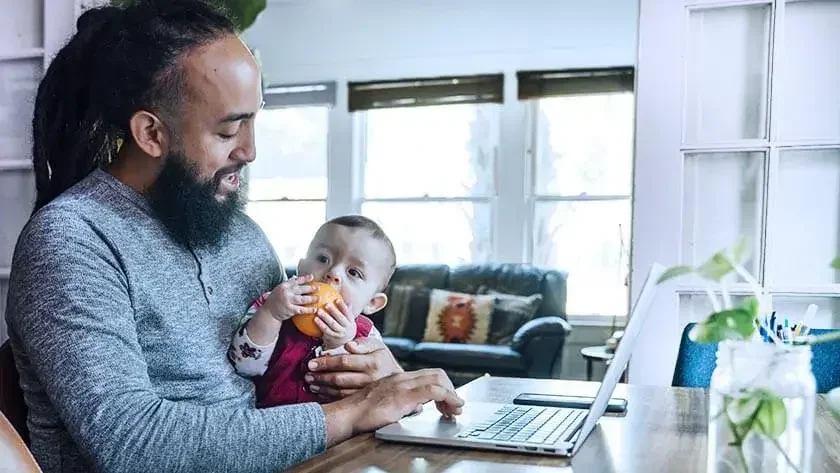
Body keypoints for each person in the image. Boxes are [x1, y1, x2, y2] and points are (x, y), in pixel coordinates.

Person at [5, 2, 463, 473]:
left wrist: (375, 371)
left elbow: (291, 361)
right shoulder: (71, 242)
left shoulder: (241, 235)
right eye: (229, 129)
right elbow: (131, 443)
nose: (250, 150)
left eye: (253, 120)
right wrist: (351, 413)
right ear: (150, 134)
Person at [228, 215, 410, 408]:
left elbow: (369, 393)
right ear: (300, 268)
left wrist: (340, 344)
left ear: (372, 302)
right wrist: (271, 315)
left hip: (340, 432)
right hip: (271, 427)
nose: (334, 273)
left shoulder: (368, 338)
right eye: (323, 259)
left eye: (353, 272)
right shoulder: (272, 304)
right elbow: (243, 365)